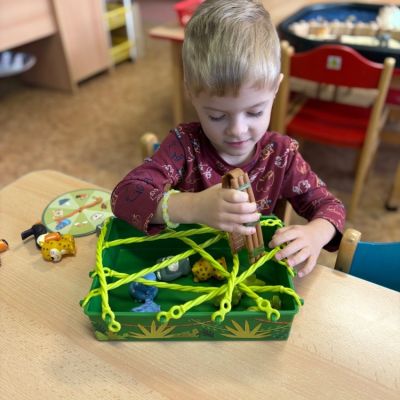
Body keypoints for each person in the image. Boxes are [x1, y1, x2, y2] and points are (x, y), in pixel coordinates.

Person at [111, 0, 345, 278]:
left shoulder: (282, 155)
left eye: (255, 112)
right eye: (217, 116)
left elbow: (331, 207)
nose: (237, 130)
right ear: (191, 93)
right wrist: (192, 207)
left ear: (275, 88)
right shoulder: (184, 146)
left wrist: (315, 234)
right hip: (186, 272)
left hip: (247, 276)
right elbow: (123, 197)